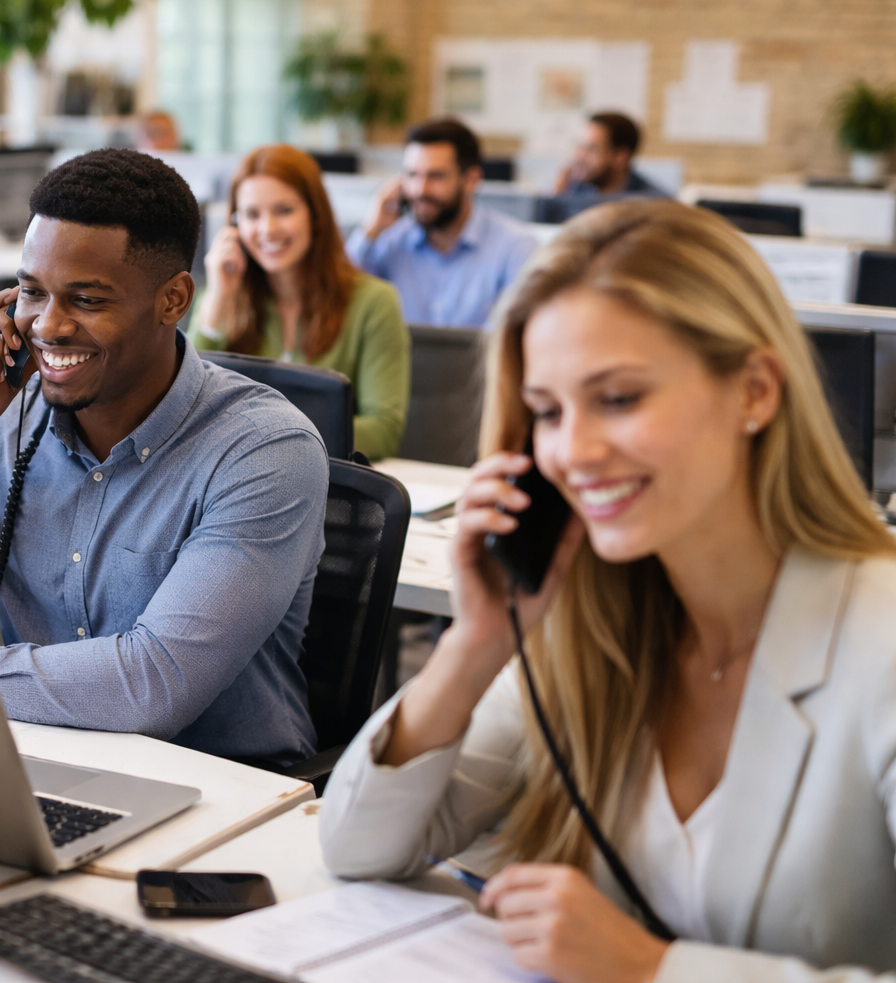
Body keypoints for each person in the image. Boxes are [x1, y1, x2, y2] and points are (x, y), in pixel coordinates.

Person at [319, 199, 896, 982]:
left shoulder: (878, 641)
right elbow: (358, 848)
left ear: (756, 390)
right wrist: (476, 644)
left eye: (619, 398)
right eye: (548, 413)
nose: (573, 452)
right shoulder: (584, 624)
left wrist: (652, 969)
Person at [0, 148, 330, 767]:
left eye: (87, 300)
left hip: (225, 793)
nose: (48, 326)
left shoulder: (264, 450)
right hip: (40, 760)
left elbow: (152, 685)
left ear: (173, 301)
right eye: (32, 293)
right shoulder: (0, 419)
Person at [190, 144, 410, 461]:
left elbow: (383, 430)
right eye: (252, 214)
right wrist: (218, 299)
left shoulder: (374, 302)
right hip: (240, 483)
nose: (267, 229)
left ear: (315, 214)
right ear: (234, 226)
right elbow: (188, 409)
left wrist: (268, 437)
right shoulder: (226, 297)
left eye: (284, 210)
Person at [347, 118, 538, 328]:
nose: (420, 190)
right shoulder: (390, 241)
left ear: (471, 179)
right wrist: (370, 231)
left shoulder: (514, 249)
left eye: (435, 176)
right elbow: (338, 296)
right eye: (412, 175)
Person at [555, 112, 668, 198]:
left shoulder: (653, 204)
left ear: (621, 158)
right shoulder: (574, 188)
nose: (579, 157)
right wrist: (556, 199)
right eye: (580, 147)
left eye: (591, 149)